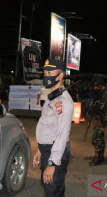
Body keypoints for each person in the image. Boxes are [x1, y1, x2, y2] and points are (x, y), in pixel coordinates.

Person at [32, 58, 74, 197]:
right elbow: (47, 125)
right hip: (47, 148)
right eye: (45, 73)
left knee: (53, 191)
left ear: (60, 75)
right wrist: (39, 148)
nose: (46, 76)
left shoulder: (63, 101)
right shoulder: (53, 96)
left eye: (50, 72)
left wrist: (52, 163)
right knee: (51, 189)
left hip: (55, 151)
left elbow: (62, 134)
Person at [89, 82, 107, 166]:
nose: (94, 88)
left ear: (100, 85)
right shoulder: (100, 93)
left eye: (95, 86)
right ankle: (100, 156)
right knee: (99, 139)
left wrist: (104, 124)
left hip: (102, 120)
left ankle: (97, 158)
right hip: (98, 119)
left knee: (97, 138)